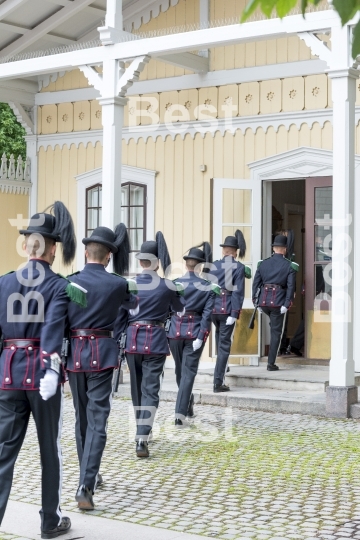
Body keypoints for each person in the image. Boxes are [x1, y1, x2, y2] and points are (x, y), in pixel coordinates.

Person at [0, 202, 86, 539]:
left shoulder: (4, 282)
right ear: (51, 248)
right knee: (50, 451)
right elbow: (52, 329)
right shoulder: (58, 285)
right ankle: (50, 520)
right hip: (41, 377)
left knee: (3, 453)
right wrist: (51, 368)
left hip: (8, 375)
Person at [66, 225, 139, 511]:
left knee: (81, 418)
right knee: (98, 420)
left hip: (74, 355)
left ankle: (90, 475)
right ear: (108, 256)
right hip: (103, 354)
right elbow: (131, 308)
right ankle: (86, 482)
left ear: (85, 253)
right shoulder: (118, 284)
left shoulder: (70, 282)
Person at [117, 232, 185, 458]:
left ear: (140, 262)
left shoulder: (129, 284)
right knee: (151, 390)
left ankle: (141, 430)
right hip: (154, 339)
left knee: (137, 389)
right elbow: (180, 310)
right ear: (157, 263)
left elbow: (121, 316)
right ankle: (142, 436)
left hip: (132, 339)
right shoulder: (167, 285)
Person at [168, 243, 218, 426]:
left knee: (180, 370)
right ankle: (180, 413)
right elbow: (207, 315)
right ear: (199, 266)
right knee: (187, 372)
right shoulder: (208, 287)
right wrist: (201, 336)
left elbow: (168, 311)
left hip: (175, 331)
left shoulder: (173, 284)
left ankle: (187, 406)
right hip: (193, 332)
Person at [208, 230, 251, 392]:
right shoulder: (238, 267)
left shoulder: (213, 266)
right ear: (235, 252)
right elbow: (238, 293)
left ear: (224, 251)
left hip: (213, 309)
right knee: (225, 345)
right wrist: (234, 313)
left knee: (220, 340)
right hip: (227, 310)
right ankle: (218, 382)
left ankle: (222, 366)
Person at [252, 235, 298, 371]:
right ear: (284, 249)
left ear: (273, 248)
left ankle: (271, 360)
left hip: (264, 302)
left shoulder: (263, 263)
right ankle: (271, 363)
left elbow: (256, 284)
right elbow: (291, 287)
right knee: (276, 332)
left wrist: (256, 302)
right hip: (278, 303)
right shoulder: (289, 265)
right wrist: (287, 303)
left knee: (273, 327)